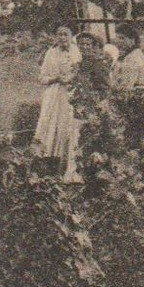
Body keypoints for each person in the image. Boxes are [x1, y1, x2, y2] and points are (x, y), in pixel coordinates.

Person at [33, 26, 81, 182]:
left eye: (65, 34)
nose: (62, 38)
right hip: (53, 93)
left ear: (71, 36)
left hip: (69, 93)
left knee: (65, 124)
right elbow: (42, 77)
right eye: (59, 35)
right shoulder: (51, 52)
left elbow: (78, 72)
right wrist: (55, 79)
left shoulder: (76, 52)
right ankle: (47, 160)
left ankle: (64, 161)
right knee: (48, 123)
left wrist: (69, 79)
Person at [110, 23, 144, 134]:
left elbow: (125, 86)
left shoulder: (135, 59)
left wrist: (112, 87)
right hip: (129, 99)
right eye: (117, 37)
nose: (118, 41)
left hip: (134, 102)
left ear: (132, 40)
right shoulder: (126, 56)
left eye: (122, 38)